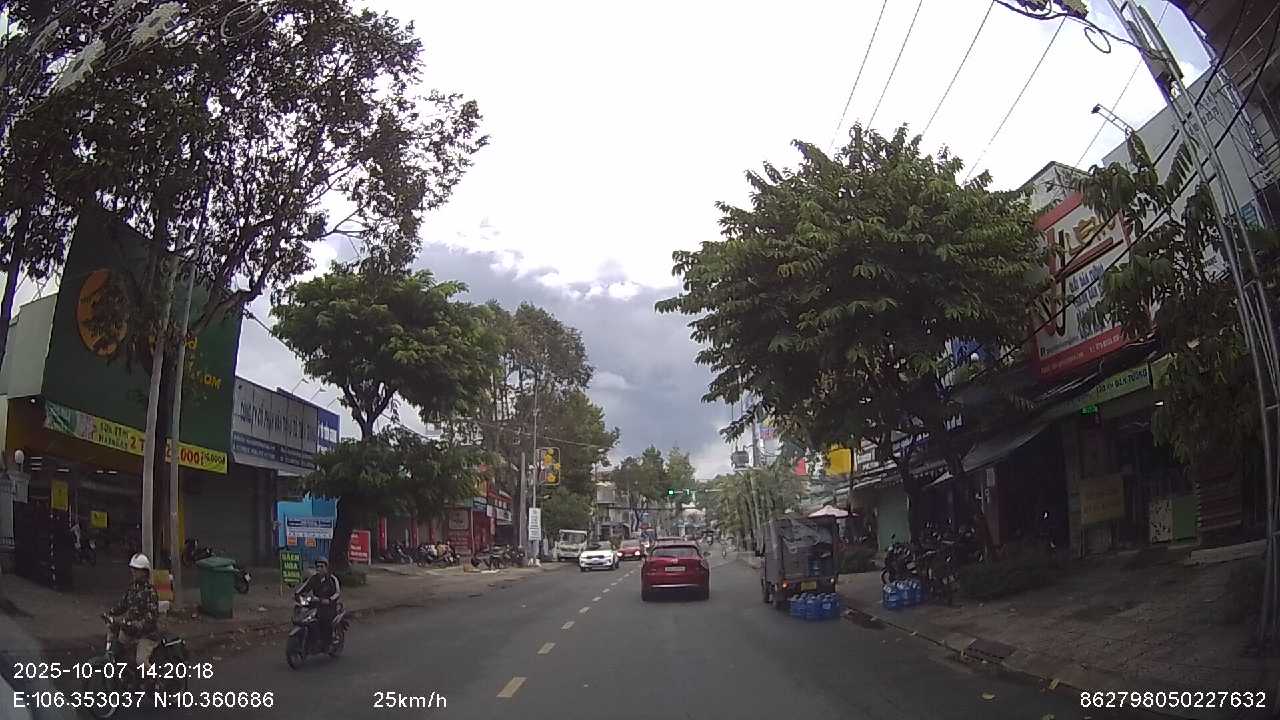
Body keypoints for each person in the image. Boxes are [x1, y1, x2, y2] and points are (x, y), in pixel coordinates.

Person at [107, 553, 160, 667]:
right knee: (116, 649)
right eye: (133, 569)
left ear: (144, 572)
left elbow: (152, 616)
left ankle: (154, 677)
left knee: (141, 662)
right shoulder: (132, 588)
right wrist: (110, 613)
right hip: (130, 630)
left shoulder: (150, 592)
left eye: (137, 570)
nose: (134, 572)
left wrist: (139, 624)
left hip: (146, 635)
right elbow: (122, 605)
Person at [294, 557, 341, 649]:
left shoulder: (332, 579)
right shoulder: (313, 578)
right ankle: (311, 639)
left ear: (326, 568)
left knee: (324, 618)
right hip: (315, 604)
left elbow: (337, 593)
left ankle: (326, 642)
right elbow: (303, 588)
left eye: (321, 566)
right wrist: (297, 595)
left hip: (329, 606)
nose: (319, 569)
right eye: (317, 566)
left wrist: (329, 600)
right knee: (302, 615)